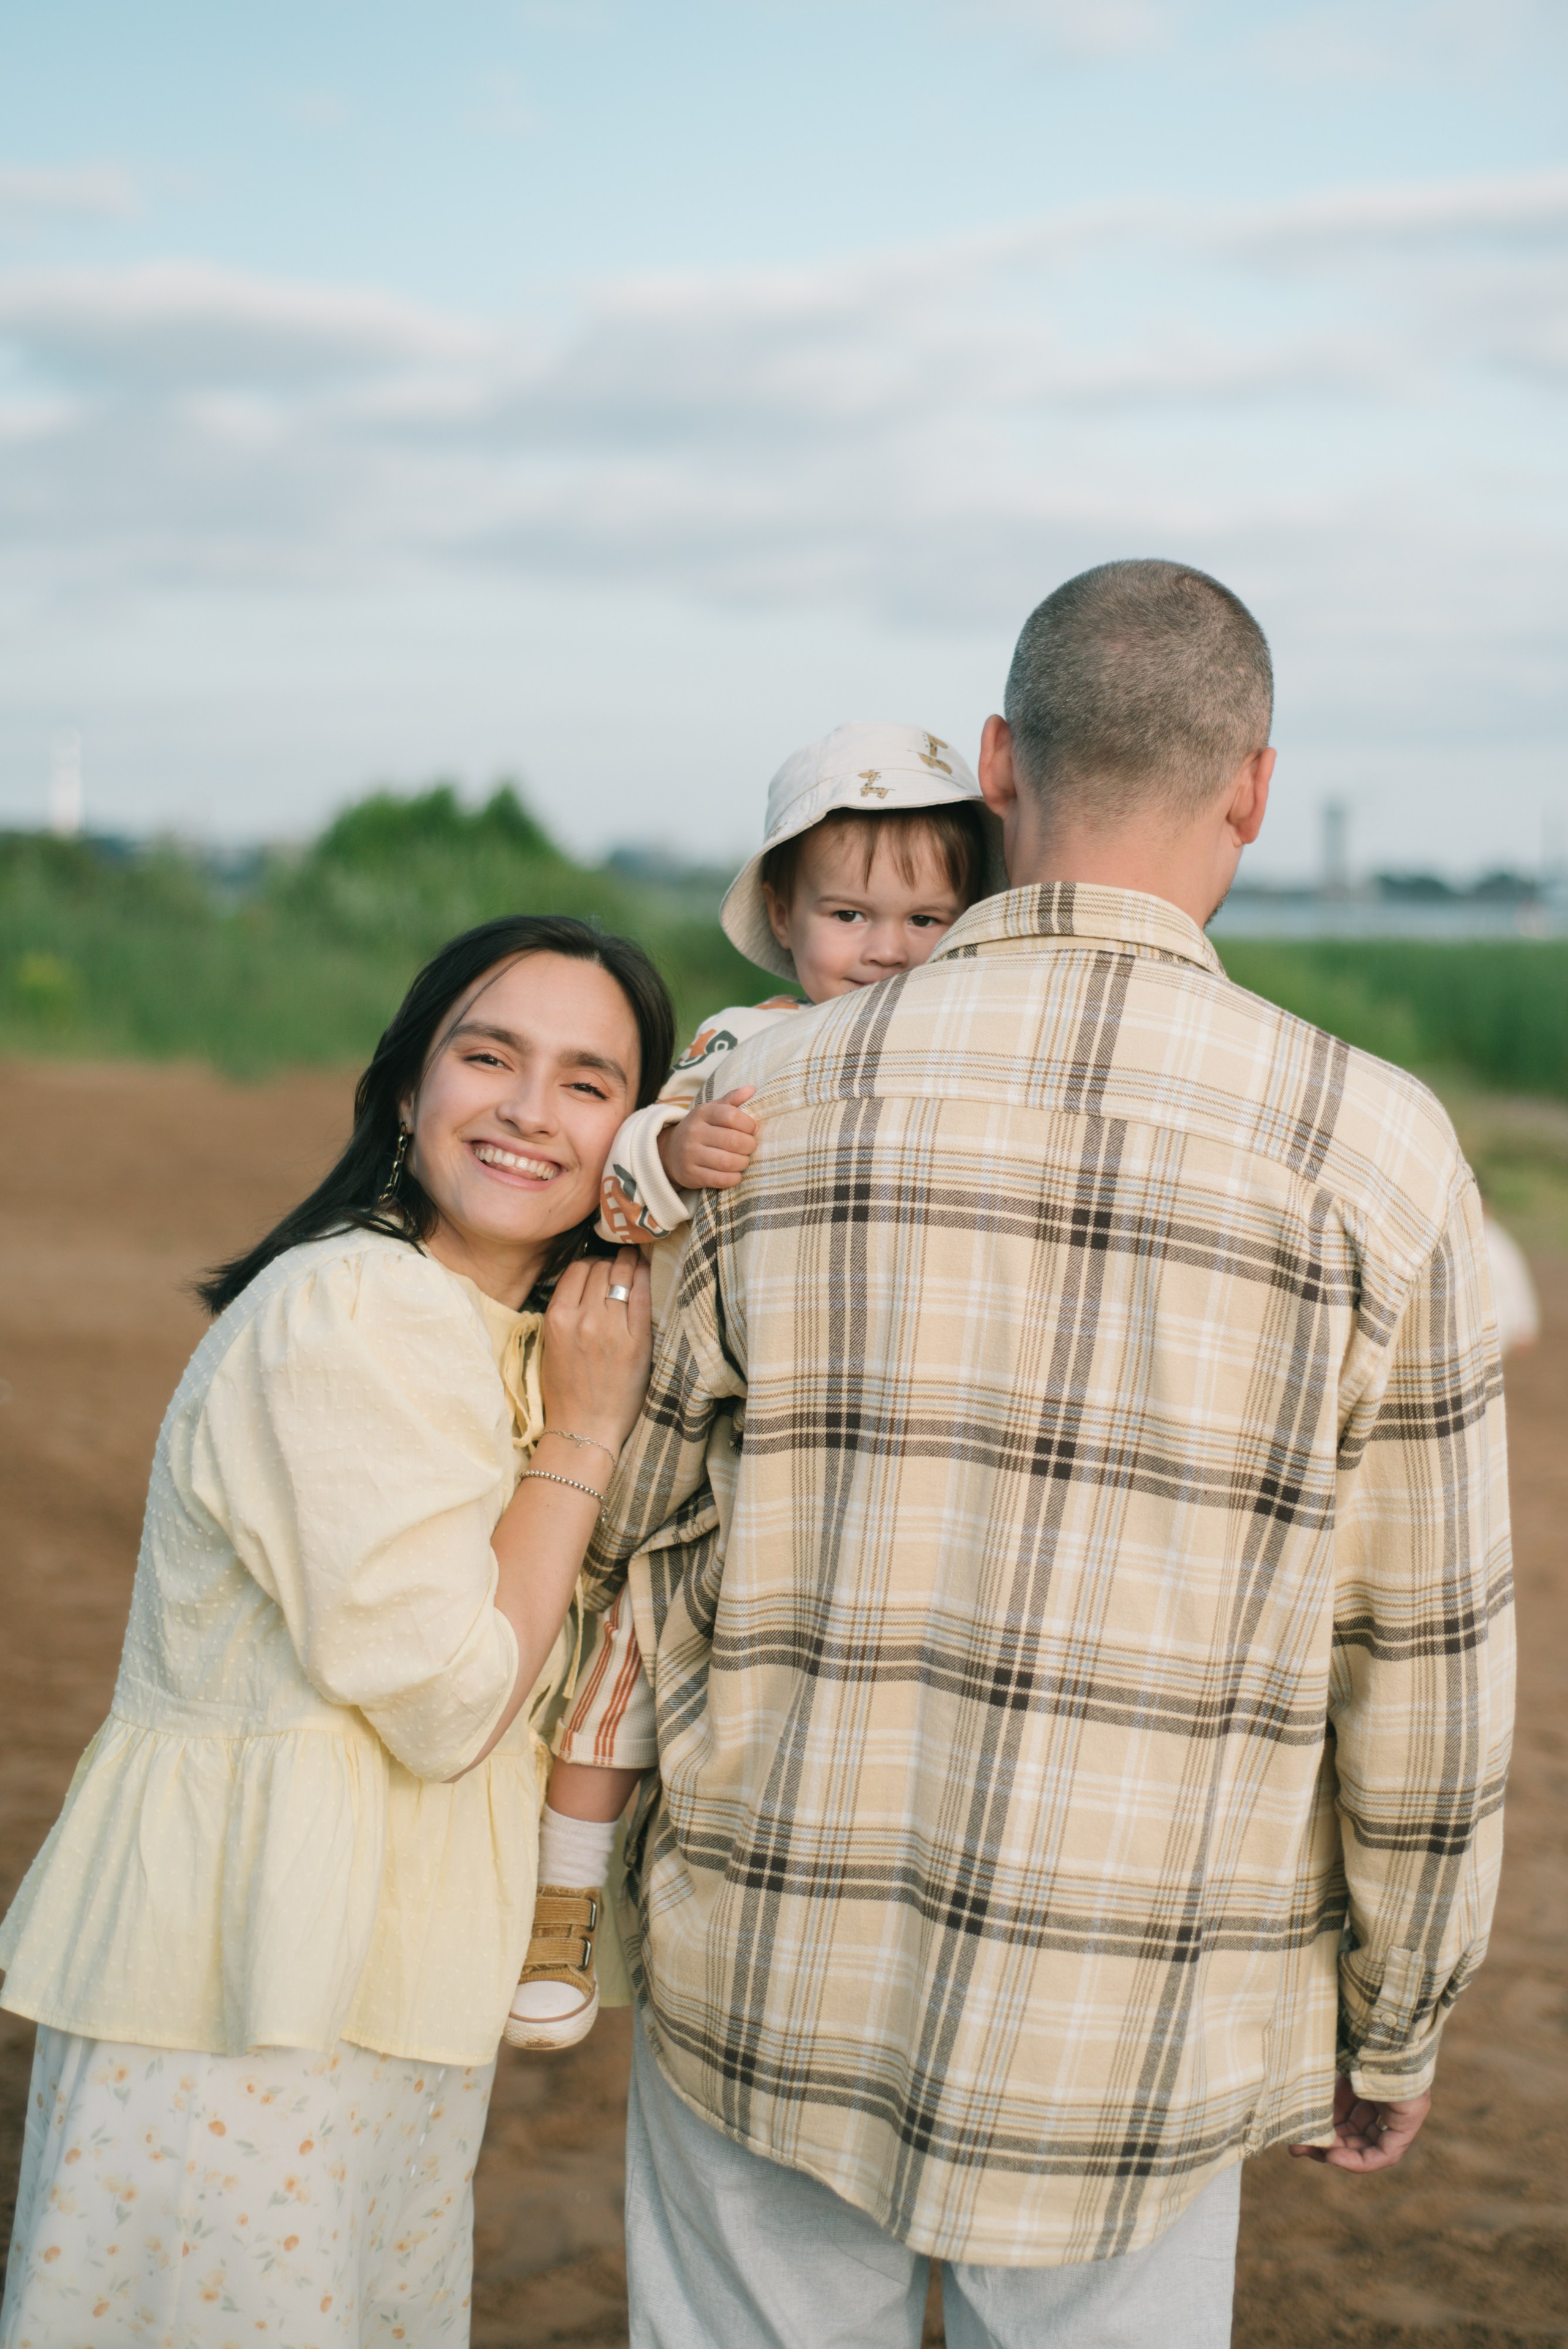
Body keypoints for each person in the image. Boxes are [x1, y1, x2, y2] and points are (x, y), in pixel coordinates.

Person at [589, 562, 1515, 2349]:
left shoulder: (755, 1112)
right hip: (1141, 2010)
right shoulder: (1379, 1150)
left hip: (770, 1958)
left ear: (1001, 763)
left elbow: (641, 1511)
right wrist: (1395, 2015)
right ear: (1251, 785)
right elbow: (1425, 1662)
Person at [0, 914, 674, 2349]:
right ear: (405, 1084)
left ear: (633, 1134)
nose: (525, 1110)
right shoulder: (353, 1311)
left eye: (585, 1080)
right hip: (252, 1976)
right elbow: (446, 1697)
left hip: (380, 1978)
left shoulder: (514, 1332)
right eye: (487, 1055)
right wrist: (586, 1438)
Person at [508, 722, 1005, 2051]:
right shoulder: (740, 1042)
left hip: (825, 1425)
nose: (885, 945)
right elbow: (618, 1185)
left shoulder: (965, 1051)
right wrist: (675, 1141)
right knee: (617, 1663)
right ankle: (559, 1907)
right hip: (674, 1405)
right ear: (781, 912)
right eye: (847, 911)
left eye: (924, 915)